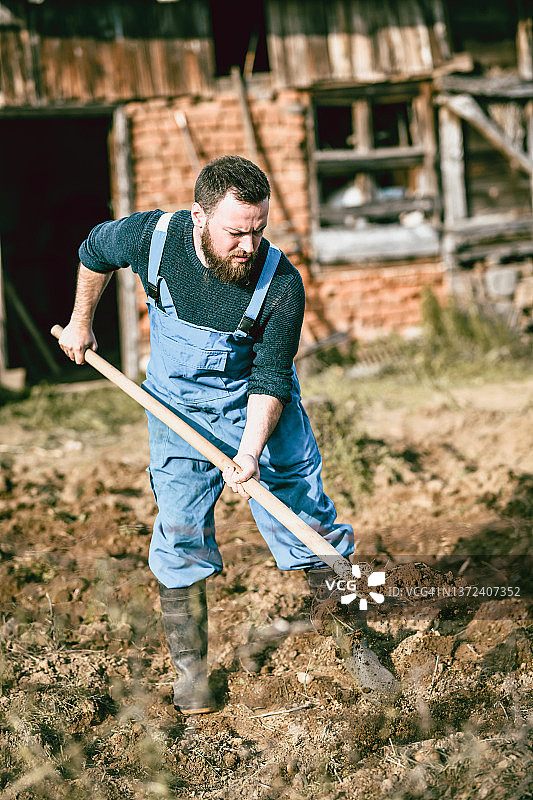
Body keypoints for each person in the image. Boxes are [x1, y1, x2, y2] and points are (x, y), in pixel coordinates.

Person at [59, 155, 390, 715]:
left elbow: (273, 373)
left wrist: (250, 451)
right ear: (199, 216)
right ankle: (191, 675)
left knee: (305, 522)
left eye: (258, 229)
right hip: (173, 408)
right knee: (179, 530)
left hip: (256, 406)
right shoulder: (153, 238)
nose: (249, 244)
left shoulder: (281, 281)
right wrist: (81, 321)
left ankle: (363, 651)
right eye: (236, 232)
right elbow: (94, 250)